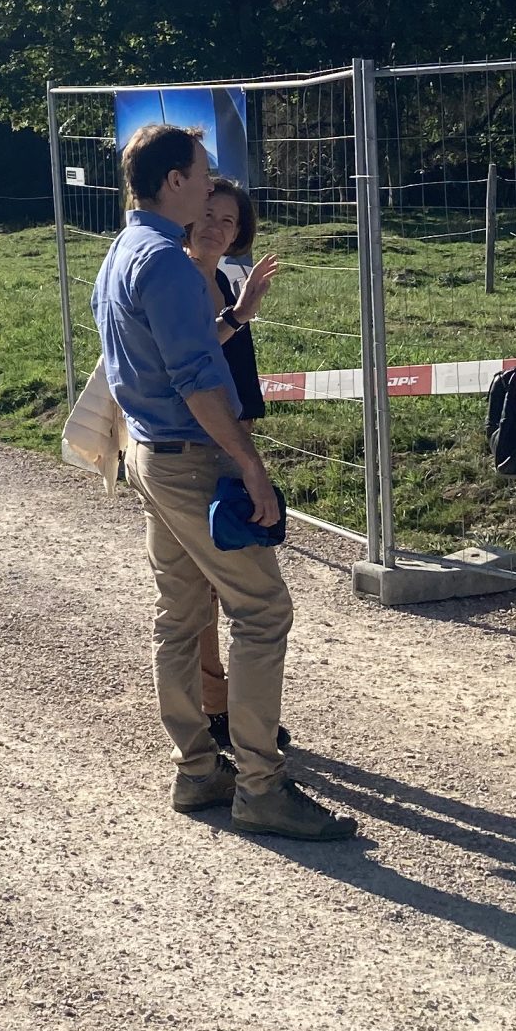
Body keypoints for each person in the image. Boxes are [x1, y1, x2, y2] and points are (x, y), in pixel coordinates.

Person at [91, 123, 354, 841]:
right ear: (174, 179)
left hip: (148, 450)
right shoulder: (169, 263)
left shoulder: (121, 251)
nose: (211, 187)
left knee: (178, 615)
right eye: (204, 173)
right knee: (262, 612)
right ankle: (262, 786)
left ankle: (197, 768)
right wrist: (249, 462)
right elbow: (200, 381)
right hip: (193, 457)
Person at [187, 175, 284, 751]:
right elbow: (193, 354)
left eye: (229, 220)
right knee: (214, 587)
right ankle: (218, 711)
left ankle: (217, 708)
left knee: (210, 584)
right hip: (204, 447)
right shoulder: (183, 281)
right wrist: (241, 315)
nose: (218, 227)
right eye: (209, 214)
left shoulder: (220, 278)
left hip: (232, 442)